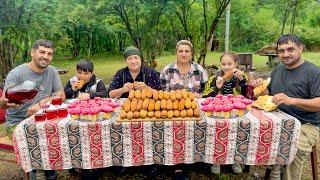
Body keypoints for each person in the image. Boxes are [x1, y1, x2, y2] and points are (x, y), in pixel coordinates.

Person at [252, 34, 320, 180]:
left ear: (301, 49)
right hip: (280, 119)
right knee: (258, 133)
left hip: (307, 124)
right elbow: (269, 95)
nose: (285, 54)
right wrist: (261, 88)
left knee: (294, 147)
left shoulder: (313, 72)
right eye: (281, 51)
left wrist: (292, 101)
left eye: (290, 49)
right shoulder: (278, 70)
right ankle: (273, 171)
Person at [1, 39, 65, 180]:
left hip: (44, 118)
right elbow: (4, 102)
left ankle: (51, 170)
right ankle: (39, 173)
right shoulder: (16, 73)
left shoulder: (52, 71)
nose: (46, 56)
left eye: (49, 54)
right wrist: (4, 102)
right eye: (42, 52)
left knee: (63, 129)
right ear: (32, 52)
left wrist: (43, 103)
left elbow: (61, 95)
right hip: (18, 123)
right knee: (36, 135)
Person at [202, 52, 246, 174]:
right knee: (218, 134)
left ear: (236, 64)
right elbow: (205, 96)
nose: (226, 67)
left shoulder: (241, 77)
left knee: (236, 134)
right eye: (223, 64)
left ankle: (235, 159)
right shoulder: (214, 78)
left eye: (230, 64)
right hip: (218, 111)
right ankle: (216, 160)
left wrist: (242, 80)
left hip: (236, 111)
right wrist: (217, 87)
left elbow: (248, 95)